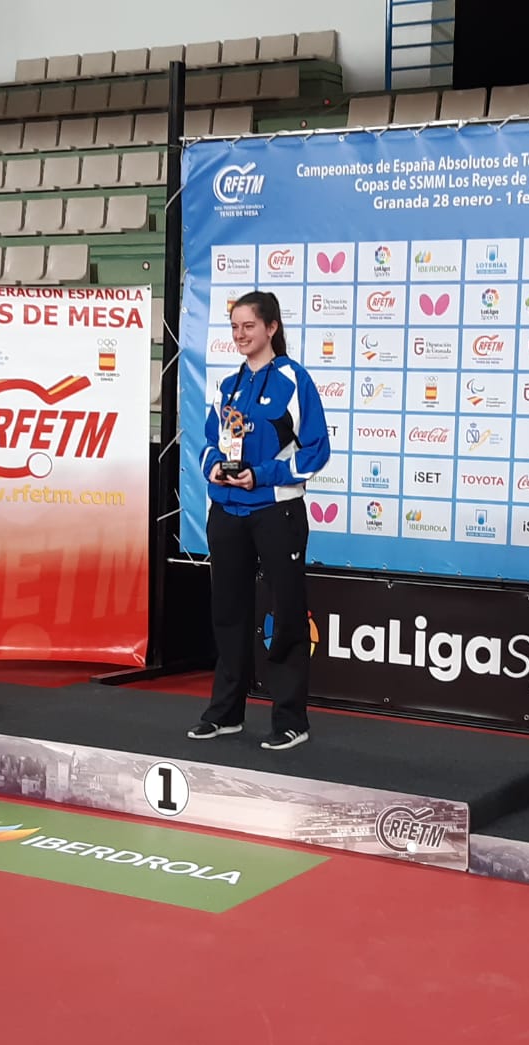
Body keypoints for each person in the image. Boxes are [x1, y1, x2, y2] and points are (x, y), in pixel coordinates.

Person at [189, 291, 330, 751]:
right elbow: (210, 442)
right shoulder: (227, 384)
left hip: (275, 511)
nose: (240, 335)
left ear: (271, 328)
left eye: (248, 326)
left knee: (286, 613)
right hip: (226, 512)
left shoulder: (294, 379)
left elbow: (316, 452)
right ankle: (226, 713)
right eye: (234, 327)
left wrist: (263, 476)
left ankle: (291, 719)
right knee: (228, 614)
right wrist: (212, 466)